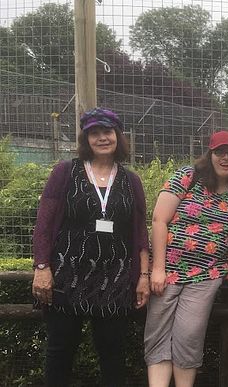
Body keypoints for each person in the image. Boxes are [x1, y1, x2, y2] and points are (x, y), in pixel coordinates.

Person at [31, 107, 150, 387]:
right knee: (60, 351)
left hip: (115, 279)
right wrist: (41, 267)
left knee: (112, 354)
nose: (102, 138)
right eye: (94, 133)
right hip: (66, 276)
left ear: (118, 136)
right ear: (86, 139)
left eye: (107, 131)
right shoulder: (65, 172)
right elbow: (44, 224)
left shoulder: (131, 180)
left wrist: (143, 277)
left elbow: (139, 232)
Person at [144, 130, 228, 387]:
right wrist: (157, 268)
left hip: (206, 274)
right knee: (157, 333)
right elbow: (159, 220)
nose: (225, 158)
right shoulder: (187, 176)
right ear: (209, 154)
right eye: (219, 152)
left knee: (189, 335)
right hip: (167, 271)